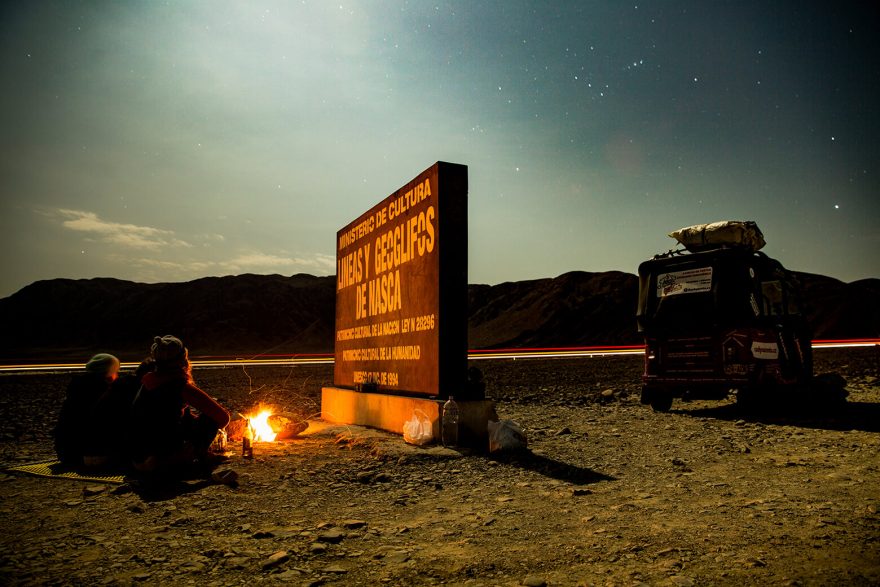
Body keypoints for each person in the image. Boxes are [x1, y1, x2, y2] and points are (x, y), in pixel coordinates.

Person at [129, 336, 230, 475]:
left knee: (183, 417)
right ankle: (190, 455)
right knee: (210, 421)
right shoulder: (179, 385)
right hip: (161, 452)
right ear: (183, 359)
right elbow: (223, 417)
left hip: (138, 452)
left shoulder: (147, 379)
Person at [53, 353, 121, 467]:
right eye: (116, 371)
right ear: (109, 372)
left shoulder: (76, 387)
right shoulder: (104, 391)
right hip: (88, 456)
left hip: (66, 454)